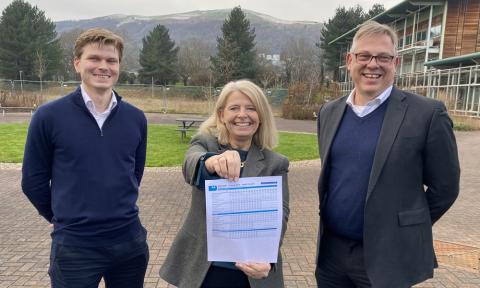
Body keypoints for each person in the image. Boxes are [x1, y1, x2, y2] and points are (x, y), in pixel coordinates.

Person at [315, 21, 460, 288]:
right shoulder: (329, 112)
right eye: (364, 56)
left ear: (396, 62)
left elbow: (446, 188)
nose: (373, 64)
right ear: (350, 60)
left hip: (385, 258)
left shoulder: (427, 114)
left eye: (383, 57)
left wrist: (404, 227)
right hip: (332, 256)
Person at [21, 28, 149, 288]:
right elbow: (32, 182)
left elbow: (134, 173)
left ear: (119, 66)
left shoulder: (136, 118)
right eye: (94, 59)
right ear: (77, 63)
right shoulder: (48, 117)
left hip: (129, 243)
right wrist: (63, 218)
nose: (103, 66)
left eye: (111, 61)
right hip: (75, 248)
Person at [160, 80, 289, 288]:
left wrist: (269, 258)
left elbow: (280, 214)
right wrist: (211, 162)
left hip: (251, 273)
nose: (242, 115)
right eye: (234, 108)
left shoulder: (276, 163)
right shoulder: (205, 143)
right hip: (206, 270)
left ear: (261, 116)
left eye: (251, 108)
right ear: (221, 115)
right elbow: (190, 164)